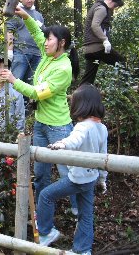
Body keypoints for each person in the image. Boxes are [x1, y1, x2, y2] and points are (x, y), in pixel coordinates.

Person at [0, 6, 80, 214]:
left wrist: (13, 80)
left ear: (61, 43)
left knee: (66, 171)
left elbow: (39, 93)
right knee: (41, 171)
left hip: (59, 127)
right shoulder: (47, 55)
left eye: (50, 40)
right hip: (41, 123)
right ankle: (42, 211)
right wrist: (25, 15)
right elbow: (37, 32)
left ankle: (77, 208)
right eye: (45, 40)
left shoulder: (64, 67)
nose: (45, 42)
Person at [36, 84, 108, 255]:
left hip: (77, 178)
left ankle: (46, 233)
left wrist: (62, 143)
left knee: (46, 196)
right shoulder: (102, 127)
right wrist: (103, 179)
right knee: (86, 214)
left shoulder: (83, 126)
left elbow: (74, 139)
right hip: (91, 178)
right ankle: (82, 250)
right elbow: (104, 155)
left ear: (81, 105)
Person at [80, 0, 125, 85]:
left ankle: (81, 96)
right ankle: (123, 89)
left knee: (88, 78)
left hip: (89, 51)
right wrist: (105, 40)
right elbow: (95, 25)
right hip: (97, 49)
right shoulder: (101, 8)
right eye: (115, 5)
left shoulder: (96, 5)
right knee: (121, 63)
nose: (114, 8)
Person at [6, 0, 45, 86]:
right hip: (21, 53)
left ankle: (27, 102)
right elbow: (9, 31)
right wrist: (9, 51)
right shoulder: (16, 12)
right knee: (16, 81)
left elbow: (44, 32)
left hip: (37, 54)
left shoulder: (38, 15)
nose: (29, 0)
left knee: (31, 84)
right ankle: (13, 102)